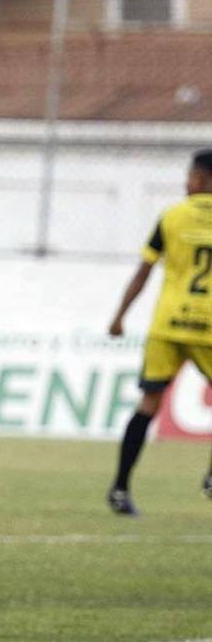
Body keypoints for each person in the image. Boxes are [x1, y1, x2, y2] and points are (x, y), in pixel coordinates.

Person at [108, 149, 212, 515]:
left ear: (200, 180)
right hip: (209, 327)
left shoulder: (172, 217)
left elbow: (144, 269)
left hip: (168, 325)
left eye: (190, 177)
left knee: (148, 404)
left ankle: (120, 488)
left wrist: (120, 315)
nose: (187, 183)